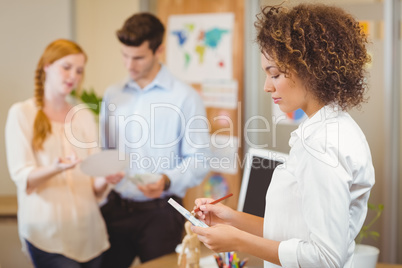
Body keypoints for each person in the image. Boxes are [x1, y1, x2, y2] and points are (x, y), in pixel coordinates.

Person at [191, 3, 375, 268]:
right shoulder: (331, 128)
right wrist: (231, 219)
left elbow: (325, 258)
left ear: (311, 69)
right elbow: (294, 231)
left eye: (275, 74)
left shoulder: (322, 144)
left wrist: (237, 241)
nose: (267, 86)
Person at [99, 12, 210, 267]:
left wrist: (167, 179)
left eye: (138, 57)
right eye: (124, 55)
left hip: (162, 212)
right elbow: (107, 151)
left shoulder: (185, 97)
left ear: (159, 50)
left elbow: (200, 160)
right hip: (115, 209)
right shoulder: (113, 94)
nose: (129, 64)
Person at [5, 39, 124, 268]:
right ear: (47, 66)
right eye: (66, 67)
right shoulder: (22, 113)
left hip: (89, 234)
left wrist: (106, 178)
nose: (73, 76)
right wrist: (56, 168)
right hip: (47, 234)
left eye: (79, 71)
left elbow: (95, 188)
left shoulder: (83, 116)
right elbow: (23, 177)